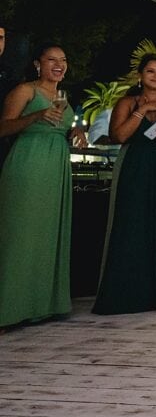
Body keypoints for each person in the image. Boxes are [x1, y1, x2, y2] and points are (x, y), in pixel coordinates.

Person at [93, 53, 156, 314]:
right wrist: (142, 112)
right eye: (151, 71)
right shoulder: (127, 102)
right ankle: (130, 292)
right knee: (133, 222)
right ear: (141, 75)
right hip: (136, 164)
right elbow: (118, 135)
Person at [0, 44, 84, 328]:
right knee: (20, 233)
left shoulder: (62, 96)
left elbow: (61, 125)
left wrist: (75, 131)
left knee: (47, 233)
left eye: (63, 60)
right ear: (38, 64)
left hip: (56, 164)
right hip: (29, 161)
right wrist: (35, 116)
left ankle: (42, 304)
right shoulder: (26, 91)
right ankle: (9, 309)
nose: (58, 65)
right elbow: (3, 127)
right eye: (51, 60)